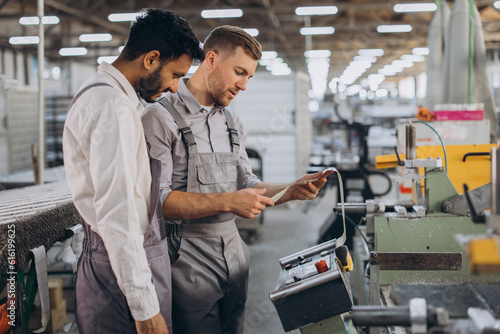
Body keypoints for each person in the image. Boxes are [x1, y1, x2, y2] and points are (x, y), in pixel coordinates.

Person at [141, 25, 330, 334]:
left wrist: (291, 190)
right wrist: (228, 201)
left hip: (234, 253)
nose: (243, 85)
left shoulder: (231, 122)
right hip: (185, 258)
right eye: (239, 72)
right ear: (212, 59)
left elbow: (248, 183)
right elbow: (157, 202)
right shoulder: (160, 119)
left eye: (249, 77)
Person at [63, 9, 204, 334]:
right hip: (120, 279)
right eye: (175, 74)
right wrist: (145, 311)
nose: (173, 88)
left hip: (114, 267)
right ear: (151, 59)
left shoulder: (98, 93)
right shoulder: (113, 109)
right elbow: (119, 217)